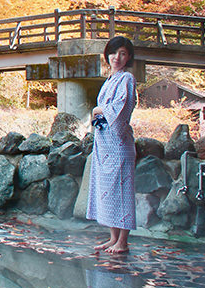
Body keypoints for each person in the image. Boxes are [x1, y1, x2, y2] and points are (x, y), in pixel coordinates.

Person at [86, 36, 137, 254]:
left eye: (123, 53)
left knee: (122, 190)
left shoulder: (127, 78)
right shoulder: (110, 79)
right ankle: (113, 237)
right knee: (108, 190)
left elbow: (120, 108)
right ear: (108, 55)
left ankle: (123, 241)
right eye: (114, 53)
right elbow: (102, 114)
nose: (117, 57)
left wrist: (97, 110)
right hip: (105, 144)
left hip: (119, 144)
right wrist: (97, 115)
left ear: (129, 57)